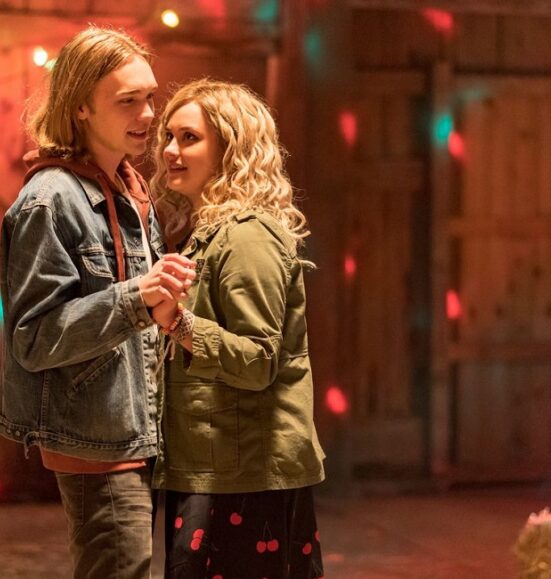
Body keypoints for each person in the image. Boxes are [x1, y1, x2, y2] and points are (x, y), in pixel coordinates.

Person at [0, 27, 195, 578]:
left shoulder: (131, 185)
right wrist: (137, 296)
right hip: (98, 444)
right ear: (80, 107)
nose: (148, 113)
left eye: (150, 96)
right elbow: (33, 339)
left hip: (139, 434)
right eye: (127, 100)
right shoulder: (49, 199)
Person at [149, 79, 326, 579]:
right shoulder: (208, 233)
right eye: (169, 136)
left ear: (231, 146)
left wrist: (178, 322)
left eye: (189, 138)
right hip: (217, 468)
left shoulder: (248, 236)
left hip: (246, 478)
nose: (169, 150)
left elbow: (257, 362)